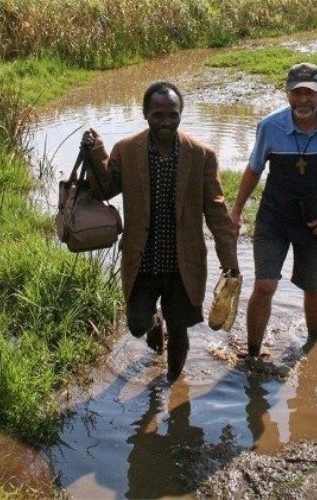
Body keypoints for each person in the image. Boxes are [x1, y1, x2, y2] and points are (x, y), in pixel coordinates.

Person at [81, 81, 239, 382]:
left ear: (181, 114)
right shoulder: (127, 150)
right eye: (158, 116)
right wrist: (96, 154)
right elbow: (105, 189)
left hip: (184, 261)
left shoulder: (201, 154)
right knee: (138, 323)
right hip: (143, 258)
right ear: (145, 115)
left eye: (173, 115)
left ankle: (173, 386)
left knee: (179, 328)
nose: (166, 122)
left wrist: (229, 261)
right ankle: (156, 324)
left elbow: (217, 212)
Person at [230, 63, 317, 358]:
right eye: (297, 93)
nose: (303, 100)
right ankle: (252, 355)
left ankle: (312, 347)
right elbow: (254, 170)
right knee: (265, 285)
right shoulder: (270, 126)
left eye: (310, 93)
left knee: (313, 287)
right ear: (287, 93)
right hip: (275, 218)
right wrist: (236, 211)